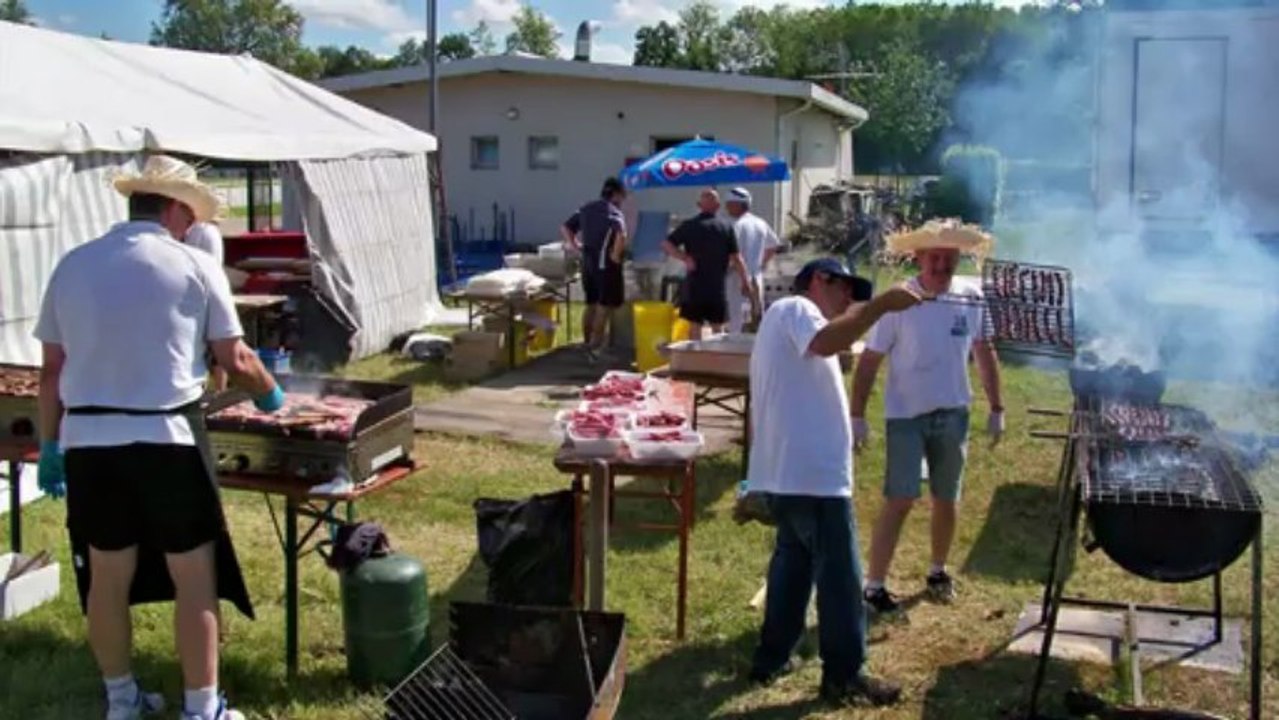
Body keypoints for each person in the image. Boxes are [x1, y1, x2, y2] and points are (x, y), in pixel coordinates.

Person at [35, 155, 284, 720]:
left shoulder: (73, 264)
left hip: (91, 444)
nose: (191, 226)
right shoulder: (194, 265)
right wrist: (270, 393)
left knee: (107, 576)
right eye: (189, 216)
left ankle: (121, 701)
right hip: (168, 437)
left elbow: (52, 371)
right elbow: (236, 357)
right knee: (194, 575)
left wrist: (51, 447)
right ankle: (203, 709)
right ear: (173, 208)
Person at [746, 257, 925, 708]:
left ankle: (772, 657)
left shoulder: (787, 320)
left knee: (793, 566)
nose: (849, 300)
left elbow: (830, 347)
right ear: (819, 281)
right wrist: (881, 304)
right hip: (812, 477)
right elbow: (827, 342)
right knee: (841, 576)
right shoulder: (796, 309)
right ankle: (844, 675)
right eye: (844, 288)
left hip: (793, 473)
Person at [850, 219, 1005, 613]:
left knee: (946, 497)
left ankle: (937, 571)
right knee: (900, 497)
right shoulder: (898, 301)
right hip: (906, 414)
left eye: (949, 258)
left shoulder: (970, 297)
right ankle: (874, 585)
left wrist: (997, 407)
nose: (942, 265)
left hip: (953, 411)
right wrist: (858, 416)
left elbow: (984, 351)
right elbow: (869, 361)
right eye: (934, 257)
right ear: (918, 258)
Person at [662, 188, 752, 339]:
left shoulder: (689, 226)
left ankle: (695, 359)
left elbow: (666, 244)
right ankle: (717, 359)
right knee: (718, 328)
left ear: (699, 205)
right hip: (716, 287)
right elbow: (737, 258)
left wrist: (685, 258)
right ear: (718, 206)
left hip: (694, 286)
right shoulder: (726, 227)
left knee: (695, 326)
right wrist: (745, 280)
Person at [561, 177, 628, 361]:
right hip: (604, 264)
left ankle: (586, 341)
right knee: (603, 306)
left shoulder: (586, 208)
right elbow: (622, 235)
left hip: (588, 262)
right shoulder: (614, 212)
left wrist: (575, 245)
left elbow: (566, 227)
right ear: (616, 194)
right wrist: (615, 255)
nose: (623, 200)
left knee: (590, 304)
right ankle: (595, 345)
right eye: (623, 196)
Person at [722, 187, 780, 333]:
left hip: (737, 276)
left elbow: (731, 255)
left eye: (729, 203)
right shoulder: (760, 223)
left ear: (738, 204)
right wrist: (760, 263)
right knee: (755, 315)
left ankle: (735, 349)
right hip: (756, 275)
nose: (726, 207)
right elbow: (773, 246)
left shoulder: (733, 225)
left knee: (736, 317)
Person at [185, 222, 229, 391]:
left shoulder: (201, 232)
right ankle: (218, 390)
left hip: (199, 290)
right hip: (208, 288)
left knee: (210, 346)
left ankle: (215, 389)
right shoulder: (207, 232)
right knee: (218, 343)